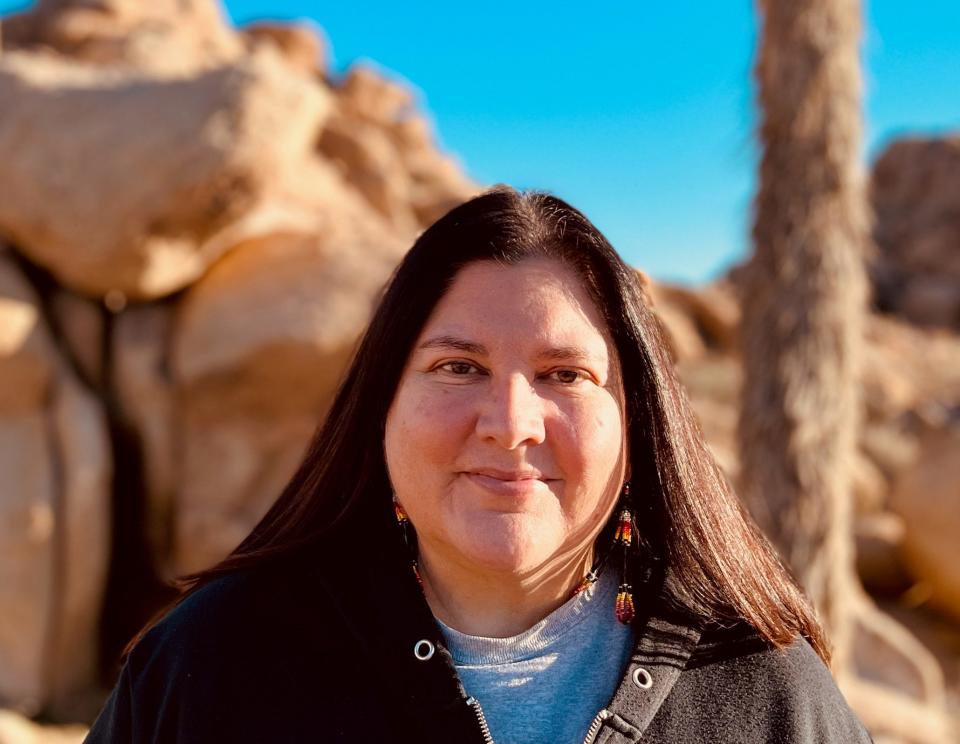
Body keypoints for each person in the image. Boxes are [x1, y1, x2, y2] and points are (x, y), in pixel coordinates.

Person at [85, 186, 873, 743]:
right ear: (381, 406)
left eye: (564, 375)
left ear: (638, 420)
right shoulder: (215, 664)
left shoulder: (765, 692)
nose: (510, 425)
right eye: (458, 367)